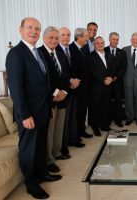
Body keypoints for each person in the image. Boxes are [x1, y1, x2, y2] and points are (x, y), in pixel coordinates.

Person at [6, 17, 61, 199]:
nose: (34, 31)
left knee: (40, 146)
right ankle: (31, 183)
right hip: (29, 114)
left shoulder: (37, 52)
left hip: (43, 110)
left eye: (37, 28)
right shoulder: (16, 53)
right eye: (30, 28)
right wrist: (25, 115)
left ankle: (41, 173)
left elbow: (45, 84)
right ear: (20, 29)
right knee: (29, 149)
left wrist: (49, 107)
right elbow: (16, 88)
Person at [39, 26, 71, 173]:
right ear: (44, 38)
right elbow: (41, 78)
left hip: (63, 97)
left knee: (59, 128)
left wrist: (64, 91)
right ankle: (49, 159)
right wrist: (56, 92)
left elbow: (65, 74)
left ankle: (57, 153)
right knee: (49, 131)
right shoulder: (39, 53)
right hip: (49, 99)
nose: (54, 40)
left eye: (56, 38)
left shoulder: (60, 52)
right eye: (51, 37)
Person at [57, 27, 80, 157]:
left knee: (71, 118)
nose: (66, 37)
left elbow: (73, 68)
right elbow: (59, 73)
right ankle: (63, 148)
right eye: (63, 35)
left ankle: (71, 140)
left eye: (68, 35)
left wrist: (75, 81)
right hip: (62, 90)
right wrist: (70, 82)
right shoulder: (56, 49)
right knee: (63, 122)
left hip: (73, 89)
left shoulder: (71, 48)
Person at [87, 36, 114, 134]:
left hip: (108, 86)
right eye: (98, 43)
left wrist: (111, 78)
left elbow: (112, 69)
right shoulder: (90, 56)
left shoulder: (109, 55)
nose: (100, 45)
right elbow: (92, 71)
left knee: (106, 106)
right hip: (96, 87)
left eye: (102, 43)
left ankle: (105, 125)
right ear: (94, 45)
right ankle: (95, 128)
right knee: (95, 108)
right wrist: (103, 79)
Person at [69, 28, 90, 147]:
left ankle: (82, 131)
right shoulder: (71, 49)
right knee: (75, 114)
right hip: (75, 88)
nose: (88, 38)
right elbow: (69, 69)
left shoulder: (84, 48)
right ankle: (74, 137)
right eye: (86, 36)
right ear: (80, 37)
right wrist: (72, 81)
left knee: (82, 112)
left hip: (85, 87)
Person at [104, 32, 127, 127]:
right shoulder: (103, 50)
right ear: (109, 39)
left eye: (117, 39)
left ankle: (118, 120)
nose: (115, 41)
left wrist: (114, 77)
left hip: (117, 81)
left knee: (118, 102)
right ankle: (107, 121)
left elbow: (124, 67)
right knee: (106, 102)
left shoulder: (122, 52)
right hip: (106, 82)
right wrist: (107, 78)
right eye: (113, 39)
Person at [122, 33, 137, 126]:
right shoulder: (124, 50)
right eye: (133, 39)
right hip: (127, 78)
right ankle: (129, 118)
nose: (135, 41)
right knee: (128, 99)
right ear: (131, 40)